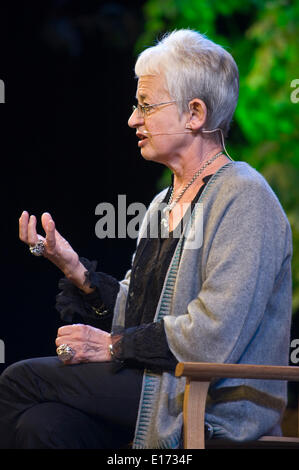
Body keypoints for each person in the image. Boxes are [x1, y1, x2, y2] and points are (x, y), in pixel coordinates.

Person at [0, 29, 293, 449]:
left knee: (19, 380)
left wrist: (114, 347)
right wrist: (76, 270)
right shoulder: (162, 202)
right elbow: (139, 314)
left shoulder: (245, 197)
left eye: (145, 106)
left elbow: (213, 334)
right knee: (44, 426)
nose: (133, 120)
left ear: (195, 114)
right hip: (155, 388)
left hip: (207, 408)